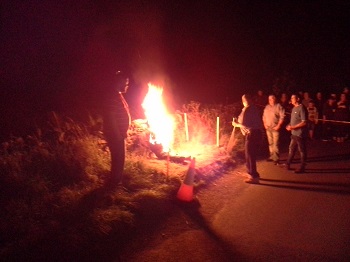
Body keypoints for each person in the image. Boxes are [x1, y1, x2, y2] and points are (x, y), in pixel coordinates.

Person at [102, 71, 131, 188]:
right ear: (119, 81)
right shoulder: (112, 96)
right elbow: (110, 116)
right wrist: (117, 134)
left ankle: (115, 182)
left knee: (119, 159)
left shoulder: (118, 95)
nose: (127, 85)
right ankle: (114, 185)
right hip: (115, 135)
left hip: (119, 134)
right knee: (118, 159)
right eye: (126, 82)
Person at [232, 94, 263, 183]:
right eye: (243, 99)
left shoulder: (250, 109)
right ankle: (252, 173)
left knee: (250, 155)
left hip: (253, 134)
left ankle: (253, 176)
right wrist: (237, 121)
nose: (244, 101)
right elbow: (244, 120)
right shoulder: (248, 108)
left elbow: (246, 124)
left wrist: (236, 124)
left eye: (244, 99)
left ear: (248, 100)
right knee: (249, 154)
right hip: (253, 133)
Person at [284, 94, 308, 173]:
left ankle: (302, 167)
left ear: (297, 99)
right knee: (291, 149)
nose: (291, 99)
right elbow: (294, 120)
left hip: (300, 134)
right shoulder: (294, 108)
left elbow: (304, 122)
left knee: (301, 150)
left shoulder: (301, 108)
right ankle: (287, 164)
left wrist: (293, 127)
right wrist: (289, 125)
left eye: (292, 98)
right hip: (294, 133)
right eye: (291, 97)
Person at [262, 95, 285, 165]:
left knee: (276, 144)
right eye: (269, 99)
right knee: (270, 143)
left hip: (275, 128)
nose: (270, 100)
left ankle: (276, 158)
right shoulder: (267, 107)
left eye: (271, 99)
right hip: (268, 128)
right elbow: (264, 116)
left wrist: (279, 125)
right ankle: (272, 156)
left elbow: (282, 116)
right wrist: (264, 124)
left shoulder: (278, 106)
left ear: (274, 99)